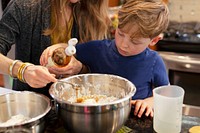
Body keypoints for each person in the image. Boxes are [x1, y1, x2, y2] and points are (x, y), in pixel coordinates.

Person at [40, 0, 170, 118]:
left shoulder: (154, 62)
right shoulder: (98, 49)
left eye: (135, 42)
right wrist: (59, 47)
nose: (124, 44)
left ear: (154, 40)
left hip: (133, 120)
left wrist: (149, 102)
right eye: (121, 34)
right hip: (95, 119)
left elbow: (167, 94)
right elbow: (71, 49)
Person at [0, 0, 109, 97]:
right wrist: (22, 70)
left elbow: (101, 70)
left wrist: (80, 68)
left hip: (78, 105)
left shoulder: (93, 11)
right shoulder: (25, 6)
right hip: (32, 106)